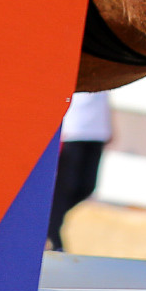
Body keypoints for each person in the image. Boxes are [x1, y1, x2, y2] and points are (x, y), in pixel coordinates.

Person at [48, 89, 114, 250]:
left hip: (98, 130)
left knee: (87, 186)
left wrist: (111, 125)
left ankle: (49, 225)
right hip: (73, 129)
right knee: (66, 186)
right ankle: (52, 236)